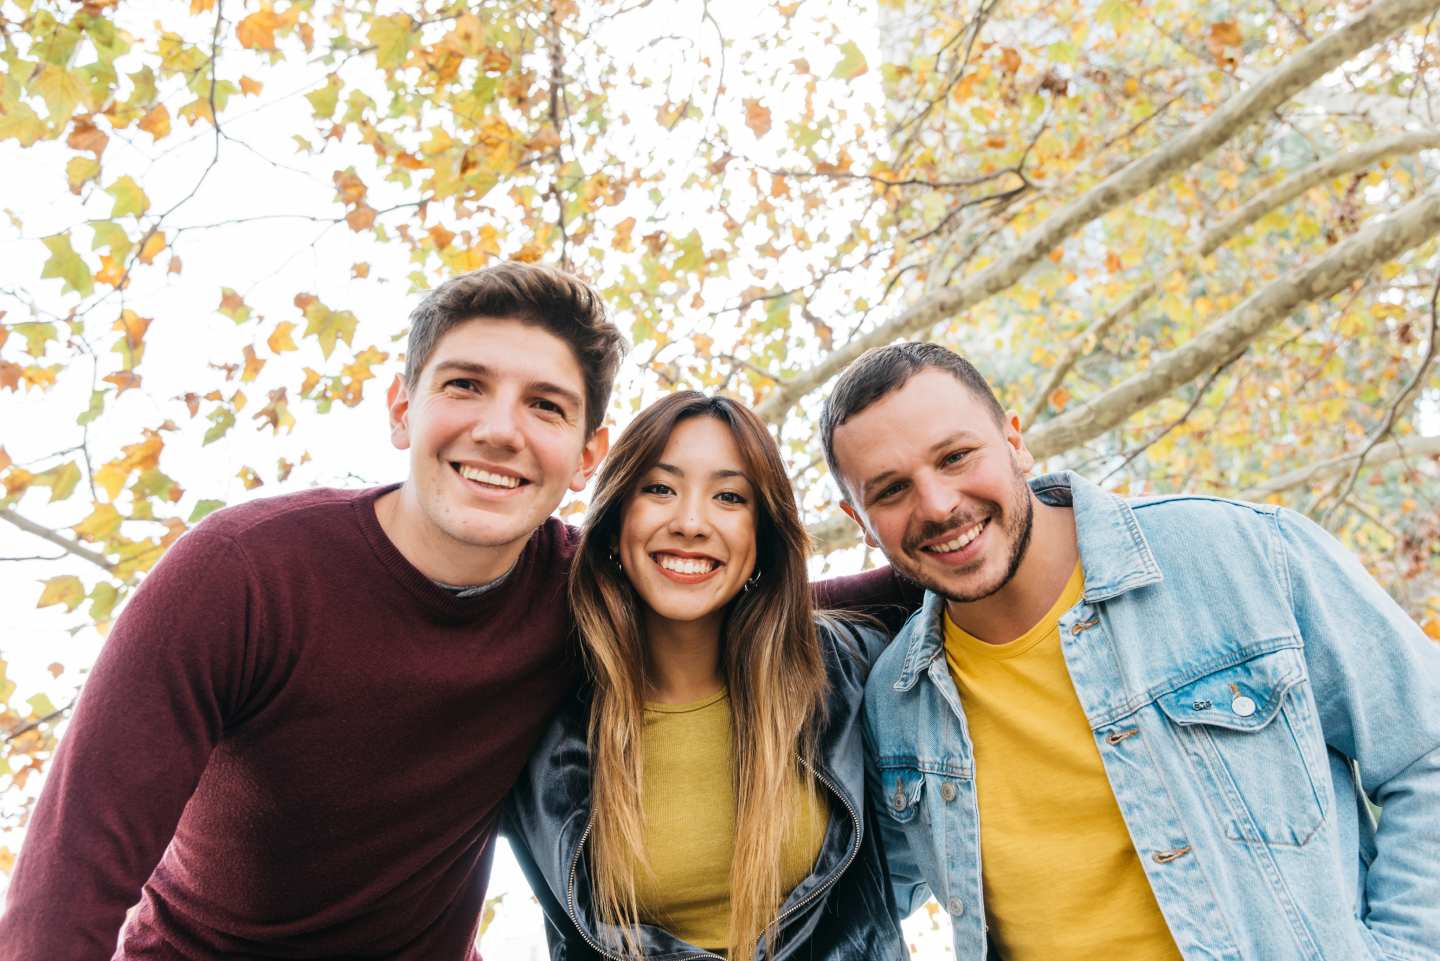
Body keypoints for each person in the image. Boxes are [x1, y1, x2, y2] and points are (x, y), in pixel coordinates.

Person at [0, 264, 906, 960]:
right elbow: (72, 873)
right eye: (465, 385)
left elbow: (762, 608)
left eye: (544, 405)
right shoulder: (244, 576)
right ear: (403, 409)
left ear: (586, 455)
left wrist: (1008, 527)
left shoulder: (580, 595)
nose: (501, 429)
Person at [819, 341, 1440, 961]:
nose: (938, 505)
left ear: (1015, 442)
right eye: (892, 490)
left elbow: (1424, 751)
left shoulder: (1241, 554)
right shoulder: (895, 703)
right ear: (859, 520)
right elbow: (836, 905)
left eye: (955, 456)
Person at [505, 392, 909, 961]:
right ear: (618, 516)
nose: (691, 523)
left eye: (728, 497)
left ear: (762, 534)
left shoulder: (842, 668)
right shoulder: (538, 714)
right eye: (660, 489)